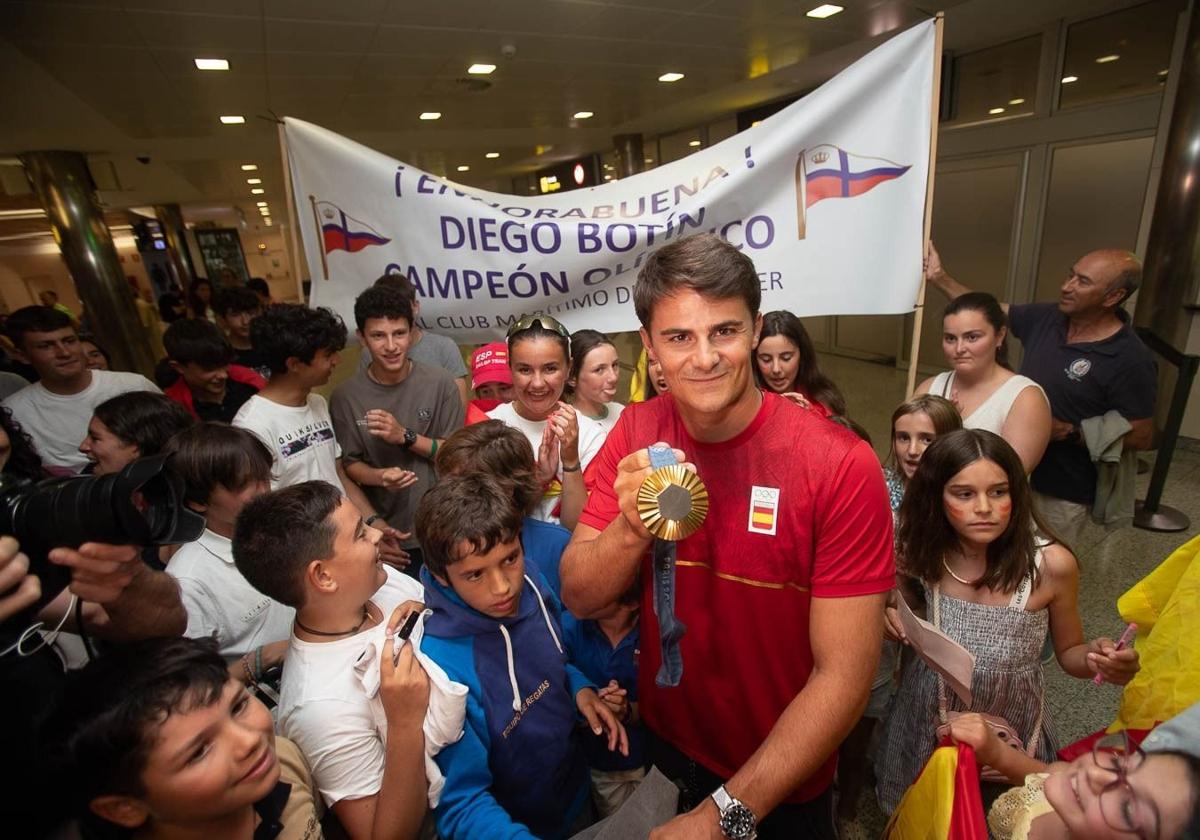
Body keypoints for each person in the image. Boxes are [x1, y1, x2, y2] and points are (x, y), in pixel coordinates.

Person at [561, 233, 895, 840]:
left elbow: (844, 677)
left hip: (781, 776)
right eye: (679, 336)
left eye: (724, 331)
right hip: (667, 749)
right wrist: (633, 524)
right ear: (650, 347)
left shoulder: (839, 464)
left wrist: (725, 817)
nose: (704, 357)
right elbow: (581, 593)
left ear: (756, 327)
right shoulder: (638, 428)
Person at [876, 429, 1141, 813]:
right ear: (936, 498)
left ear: (1017, 495)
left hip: (1013, 724)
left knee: (998, 815)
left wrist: (1101, 660)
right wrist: (889, 612)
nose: (983, 507)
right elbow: (893, 599)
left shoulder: (1051, 566)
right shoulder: (922, 551)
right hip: (927, 710)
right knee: (924, 813)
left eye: (998, 492)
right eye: (964, 494)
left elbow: (1069, 652)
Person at [415, 473, 627, 840]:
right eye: (475, 575)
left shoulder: (531, 582)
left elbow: (551, 658)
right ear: (442, 576)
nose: (502, 587)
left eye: (510, 558)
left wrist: (579, 689)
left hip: (574, 792)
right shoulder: (439, 666)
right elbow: (461, 803)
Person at [924, 243, 1157, 547]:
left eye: (1082, 282)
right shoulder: (1050, 318)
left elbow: (1143, 435)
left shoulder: (1129, 357)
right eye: (1070, 275)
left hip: (1062, 487)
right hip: (1001, 472)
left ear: (1114, 297)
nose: (1066, 286)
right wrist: (939, 277)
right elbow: (986, 316)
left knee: (1038, 561)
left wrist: (1070, 432)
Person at [233, 481, 430, 840]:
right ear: (323, 576)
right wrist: (403, 724)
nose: (375, 534)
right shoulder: (319, 708)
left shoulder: (378, 583)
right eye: (359, 534)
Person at [40, 636, 325, 840]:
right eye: (199, 751)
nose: (249, 741)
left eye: (238, 706)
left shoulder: (281, 760)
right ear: (124, 808)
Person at [231, 304, 401, 562]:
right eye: (328, 354)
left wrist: (372, 524)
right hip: (311, 556)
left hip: (346, 541)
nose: (337, 360)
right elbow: (266, 515)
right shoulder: (252, 425)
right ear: (294, 364)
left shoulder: (317, 402)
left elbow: (338, 475)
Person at [330, 285, 464, 576]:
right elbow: (349, 464)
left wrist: (405, 436)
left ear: (411, 331)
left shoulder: (440, 383)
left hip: (441, 526)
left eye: (399, 333)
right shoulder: (346, 397)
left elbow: (455, 455)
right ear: (362, 339)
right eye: (378, 336)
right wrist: (379, 478)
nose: (391, 346)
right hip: (384, 533)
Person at [948, 699, 1200, 840]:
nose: (1095, 773)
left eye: (1127, 808)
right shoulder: (1063, 789)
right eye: (1122, 763)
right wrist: (996, 752)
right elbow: (1046, 773)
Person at [164, 423, 293, 664]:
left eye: (264, 477)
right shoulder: (190, 582)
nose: (263, 491)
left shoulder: (278, 529)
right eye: (243, 484)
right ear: (197, 501)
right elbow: (195, 684)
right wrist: (259, 661)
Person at [2, 305, 159, 474]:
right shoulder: (14, 412)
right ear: (22, 355)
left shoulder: (133, 385)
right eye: (46, 346)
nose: (64, 352)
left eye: (70, 341)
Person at [916, 292, 1051, 474]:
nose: (959, 349)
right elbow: (907, 455)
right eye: (950, 338)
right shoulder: (929, 388)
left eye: (972, 337)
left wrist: (950, 432)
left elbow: (1006, 479)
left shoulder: (1025, 398)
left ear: (1000, 336)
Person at [435, 420, 572, 597]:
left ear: (508, 487)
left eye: (468, 486)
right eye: (448, 484)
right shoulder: (444, 546)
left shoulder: (555, 545)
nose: (452, 495)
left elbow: (573, 618)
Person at [488, 315, 588, 530]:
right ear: (510, 369)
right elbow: (482, 520)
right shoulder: (489, 427)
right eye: (524, 370)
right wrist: (540, 481)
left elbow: (578, 528)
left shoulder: (591, 434)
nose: (537, 383)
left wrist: (570, 460)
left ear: (569, 368)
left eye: (550, 369)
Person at [560, 578, 645, 819]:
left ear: (632, 602)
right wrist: (587, 706)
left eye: (601, 585)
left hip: (652, 763)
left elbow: (671, 707)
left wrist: (627, 710)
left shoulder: (658, 632)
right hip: (598, 766)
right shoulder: (566, 628)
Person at [359, 275, 469, 407]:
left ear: (415, 307)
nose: (396, 312)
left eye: (402, 306)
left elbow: (459, 409)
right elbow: (363, 403)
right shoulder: (370, 353)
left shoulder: (444, 347)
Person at [163, 318, 266, 423]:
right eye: (209, 368)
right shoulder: (172, 409)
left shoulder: (250, 382)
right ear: (179, 367)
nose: (223, 375)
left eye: (225, 363)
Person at [754, 310, 847, 417]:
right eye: (766, 359)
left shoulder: (825, 401)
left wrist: (810, 418)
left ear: (802, 355)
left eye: (786, 358)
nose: (776, 369)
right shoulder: (746, 405)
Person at [79, 391, 194, 475]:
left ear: (137, 447)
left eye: (95, 438)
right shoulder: (85, 483)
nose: (82, 446)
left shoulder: (191, 500)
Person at [883, 394, 963, 513]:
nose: (912, 450)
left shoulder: (961, 498)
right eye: (904, 438)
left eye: (927, 440)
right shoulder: (880, 486)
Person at [567, 329, 625, 439]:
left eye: (615, 365)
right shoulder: (567, 427)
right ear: (572, 377)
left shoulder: (621, 412)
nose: (613, 377)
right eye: (599, 370)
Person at [214, 285, 271, 379]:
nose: (245, 321)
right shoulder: (222, 354)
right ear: (223, 319)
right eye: (235, 315)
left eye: (251, 313)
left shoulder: (270, 344)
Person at [467, 341, 514, 415]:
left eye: (504, 388)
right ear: (478, 395)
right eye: (486, 392)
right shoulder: (472, 422)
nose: (496, 398)